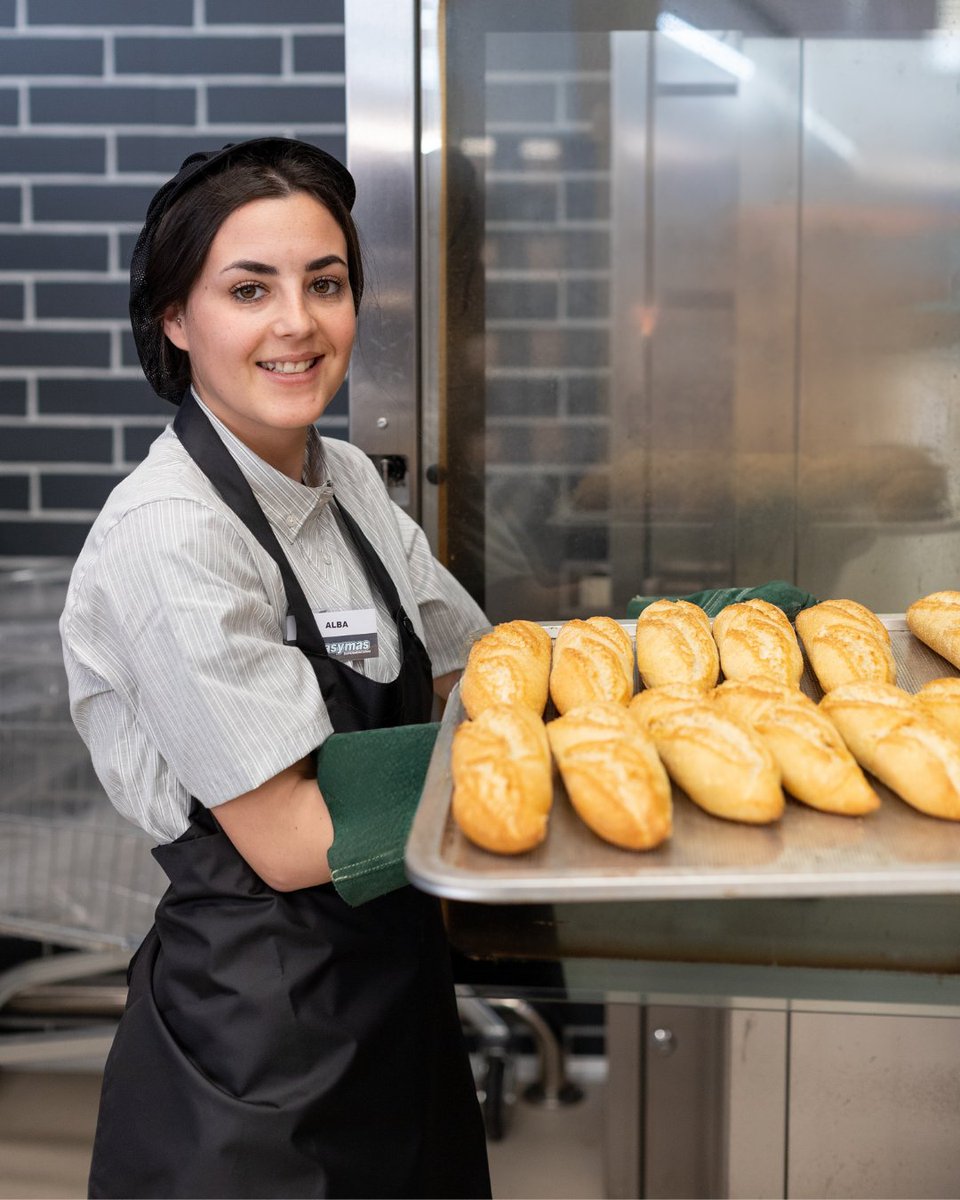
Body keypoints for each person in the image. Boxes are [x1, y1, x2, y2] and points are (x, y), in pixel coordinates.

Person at [59, 138, 492, 1199]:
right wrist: (527, 763)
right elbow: (293, 839)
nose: (297, 323)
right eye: (249, 289)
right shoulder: (172, 532)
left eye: (325, 283)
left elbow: (472, 678)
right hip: (257, 1054)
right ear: (175, 317)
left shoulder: (343, 479)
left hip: (399, 1006)